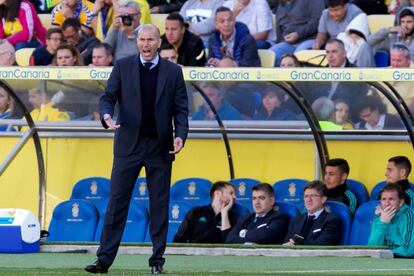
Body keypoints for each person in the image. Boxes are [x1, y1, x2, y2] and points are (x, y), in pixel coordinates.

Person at [85, 24, 188, 275]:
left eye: (150, 39)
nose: (146, 44)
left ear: (158, 42)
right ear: (137, 42)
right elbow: (108, 97)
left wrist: (181, 136)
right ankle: (104, 261)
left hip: (160, 147)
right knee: (117, 204)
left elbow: (181, 109)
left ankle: (157, 262)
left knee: (159, 205)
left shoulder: (173, 72)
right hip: (127, 145)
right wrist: (107, 116)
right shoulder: (123, 66)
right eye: (142, 39)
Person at [173, 181, 240, 243]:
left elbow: (229, 244)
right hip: (195, 253)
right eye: (231, 193)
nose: (234, 197)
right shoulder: (196, 212)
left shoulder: (235, 217)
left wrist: (224, 213)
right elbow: (179, 238)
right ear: (217, 193)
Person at [224, 183, 289, 244]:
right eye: (254, 198)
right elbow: (230, 239)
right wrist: (250, 243)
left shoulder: (280, 217)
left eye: (261, 198)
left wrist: (243, 233)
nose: (257, 202)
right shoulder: (244, 219)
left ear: (271, 201)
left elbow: (265, 237)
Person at [283, 180, 342, 246]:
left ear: (323, 199)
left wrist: (298, 244)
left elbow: (324, 244)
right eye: (306, 196)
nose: (309, 200)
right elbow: (286, 242)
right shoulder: (296, 220)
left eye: (313, 196)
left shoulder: (332, 220)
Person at [270, 0, 325, 66]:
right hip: (288, 43)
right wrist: (280, 42)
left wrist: (298, 34)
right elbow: (279, 27)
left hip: (310, 39)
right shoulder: (282, 4)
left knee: (299, 55)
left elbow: (317, 20)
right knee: (272, 54)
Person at [368, 184, 414, 258]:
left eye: (391, 199)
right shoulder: (379, 216)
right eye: (383, 199)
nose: (387, 204)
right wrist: (382, 223)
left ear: (401, 202)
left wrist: (384, 254)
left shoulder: (409, 215)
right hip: (385, 259)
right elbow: (371, 248)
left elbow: (408, 250)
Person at [388, 44, 414, 114]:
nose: (395, 64)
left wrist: (395, 119)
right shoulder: (386, 71)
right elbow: (371, 96)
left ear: (408, 60)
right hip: (381, 119)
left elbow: (413, 106)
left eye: (399, 61)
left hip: (405, 120)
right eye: (393, 60)